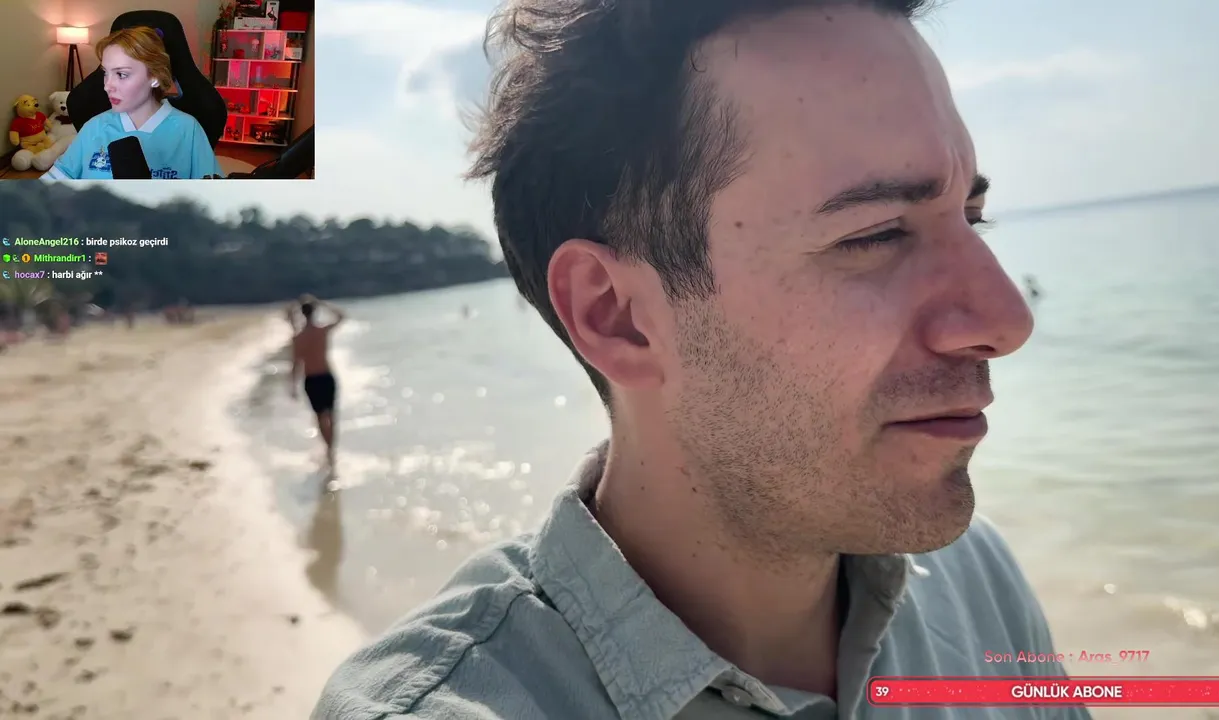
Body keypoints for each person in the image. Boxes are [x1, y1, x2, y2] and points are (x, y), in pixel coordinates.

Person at [314, 1, 1089, 718]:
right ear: (617, 316)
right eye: (875, 235)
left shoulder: (976, 581)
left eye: (972, 216)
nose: (1006, 320)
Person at [42, 26, 222, 181]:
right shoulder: (94, 128)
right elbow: (56, 181)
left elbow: (212, 195)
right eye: (105, 73)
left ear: (155, 77)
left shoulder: (188, 130)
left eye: (121, 74)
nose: (107, 86)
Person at [289, 296, 344, 465]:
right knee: (331, 415)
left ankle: (328, 449)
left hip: (311, 379)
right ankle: (331, 450)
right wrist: (322, 303)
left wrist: (293, 385)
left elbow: (296, 363)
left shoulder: (298, 338)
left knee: (320, 416)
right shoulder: (322, 331)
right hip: (326, 377)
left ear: (302, 314)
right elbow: (341, 316)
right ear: (315, 312)